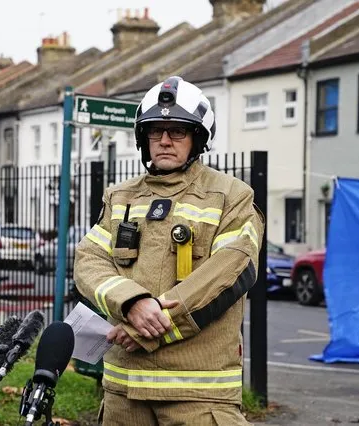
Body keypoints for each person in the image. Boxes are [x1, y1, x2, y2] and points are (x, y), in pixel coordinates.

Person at [74, 76, 265, 425]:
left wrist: (144, 325)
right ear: (143, 138)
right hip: (123, 395)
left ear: (197, 139)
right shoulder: (121, 197)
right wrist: (131, 303)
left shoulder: (232, 197)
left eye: (177, 131)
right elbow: (88, 261)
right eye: (155, 131)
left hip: (196, 397)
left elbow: (229, 273)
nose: (164, 141)